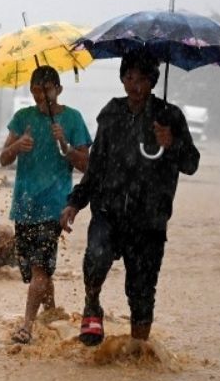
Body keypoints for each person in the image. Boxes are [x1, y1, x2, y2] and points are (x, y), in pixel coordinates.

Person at [60, 50, 199, 346]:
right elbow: (96, 168)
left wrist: (171, 143)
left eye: (142, 79)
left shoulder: (170, 117)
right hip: (108, 213)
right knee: (96, 257)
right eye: (129, 78)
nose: (134, 85)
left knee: (141, 290)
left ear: (153, 81)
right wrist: (74, 202)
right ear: (122, 79)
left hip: (149, 221)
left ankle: (138, 353)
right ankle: (92, 303)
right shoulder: (111, 114)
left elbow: (191, 164)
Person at [0, 66, 91, 345]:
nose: (42, 95)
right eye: (36, 89)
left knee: (39, 268)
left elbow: (87, 165)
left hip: (54, 206)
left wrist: (64, 143)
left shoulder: (73, 119)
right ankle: (51, 314)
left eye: (47, 88)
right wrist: (18, 146)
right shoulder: (22, 118)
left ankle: (27, 326)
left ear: (59, 89)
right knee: (34, 272)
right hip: (24, 205)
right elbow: (4, 159)